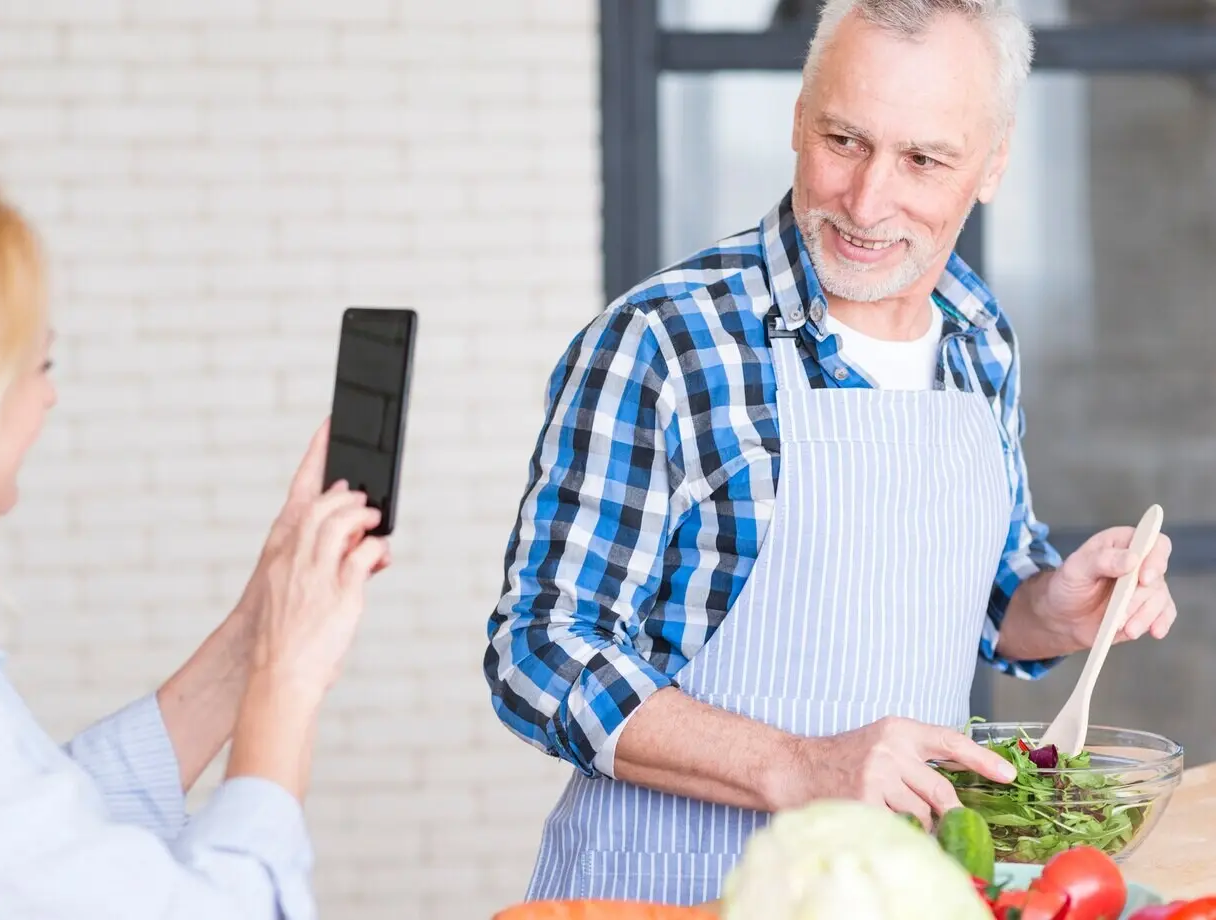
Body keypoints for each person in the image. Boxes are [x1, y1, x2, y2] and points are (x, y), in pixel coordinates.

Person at [484, 0, 1178, 906]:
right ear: (798, 118)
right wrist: (800, 765)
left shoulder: (978, 337)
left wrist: (1057, 606)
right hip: (669, 890)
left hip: (892, 890)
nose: (866, 200)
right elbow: (538, 654)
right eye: (844, 140)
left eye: (923, 159)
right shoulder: (665, 342)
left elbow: (978, 597)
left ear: (995, 162)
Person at [0, 146, 389, 918]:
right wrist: (288, 680)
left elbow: (42, 838)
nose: (51, 397)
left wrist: (260, 623)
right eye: (40, 364)